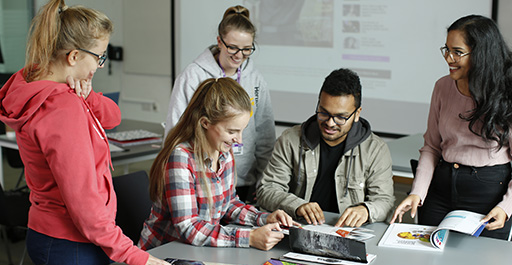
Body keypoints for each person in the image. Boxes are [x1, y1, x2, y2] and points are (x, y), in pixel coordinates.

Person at [0, 1, 174, 265]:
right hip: (71, 241)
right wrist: (132, 253)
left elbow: (113, 117)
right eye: (99, 57)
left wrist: (88, 94)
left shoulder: (37, 85)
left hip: (57, 235)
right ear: (74, 56)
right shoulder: (61, 108)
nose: (99, 65)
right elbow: (83, 201)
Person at [391, 15, 512, 240]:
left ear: (481, 54)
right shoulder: (442, 87)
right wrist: (418, 192)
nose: (449, 58)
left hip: (488, 193)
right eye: (446, 50)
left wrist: (506, 207)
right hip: (441, 188)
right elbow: (432, 147)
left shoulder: (506, 92)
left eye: (457, 52)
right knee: (430, 259)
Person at [139, 78, 296, 251]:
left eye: (241, 130)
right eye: (232, 131)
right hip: (161, 256)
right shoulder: (181, 158)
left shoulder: (224, 153)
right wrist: (249, 237)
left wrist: (264, 218)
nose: (239, 140)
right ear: (205, 123)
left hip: (196, 252)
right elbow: (189, 228)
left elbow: (228, 204)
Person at [256, 68, 395, 227]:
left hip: (348, 233)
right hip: (300, 229)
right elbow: (266, 190)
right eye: (323, 113)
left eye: (341, 117)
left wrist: (366, 210)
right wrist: (297, 205)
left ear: (357, 114)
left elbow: (385, 201)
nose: (330, 123)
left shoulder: (375, 149)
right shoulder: (290, 140)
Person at [165, 5, 275, 203]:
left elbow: (265, 135)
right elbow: (175, 129)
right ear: (219, 41)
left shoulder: (256, 79)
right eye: (232, 47)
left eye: (247, 49)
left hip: (244, 179)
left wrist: (263, 181)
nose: (239, 55)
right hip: (201, 179)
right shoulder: (194, 75)